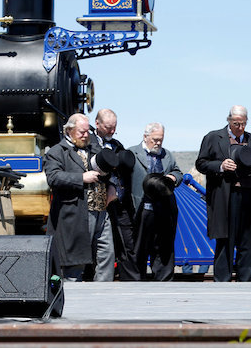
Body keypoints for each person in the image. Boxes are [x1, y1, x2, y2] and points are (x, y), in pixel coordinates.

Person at [44, 113, 115, 281]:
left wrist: (111, 185)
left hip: (101, 211)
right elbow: (53, 178)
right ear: (69, 130)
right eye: (81, 132)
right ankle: (72, 298)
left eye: (87, 132)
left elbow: (108, 171)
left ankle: (104, 294)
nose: (86, 135)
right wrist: (80, 178)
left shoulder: (94, 149)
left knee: (107, 254)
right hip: (76, 213)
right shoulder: (57, 152)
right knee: (75, 261)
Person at [195, 105, 251, 282]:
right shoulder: (213, 137)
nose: (240, 127)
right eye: (236, 123)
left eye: (243, 124)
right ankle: (222, 280)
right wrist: (221, 166)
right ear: (229, 120)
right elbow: (201, 163)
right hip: (225, 195)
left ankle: (245, 279)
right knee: (225, 239)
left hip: (248, 194)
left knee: (248, 238)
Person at [129, 123, 182, 281]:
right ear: (145, 137)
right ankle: (137, 281)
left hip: (164, 210)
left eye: (161, 139)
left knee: (164, 250)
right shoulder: (132, 153)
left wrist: (172, 177)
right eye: (155, 139)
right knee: (139, 248)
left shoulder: (167, 155)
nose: (158, 143)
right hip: (141, 209)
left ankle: (164, 281)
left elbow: (178, 172)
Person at [90, 108, 138, 281]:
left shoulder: (117, 145)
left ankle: (130, 282)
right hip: (94, 202)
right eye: (108, 127)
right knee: (97, 247)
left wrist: (118, 191)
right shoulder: (88, 142)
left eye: (114, 128)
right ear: (97, 123)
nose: (111, 131)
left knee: (126, 244)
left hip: (118, 203)